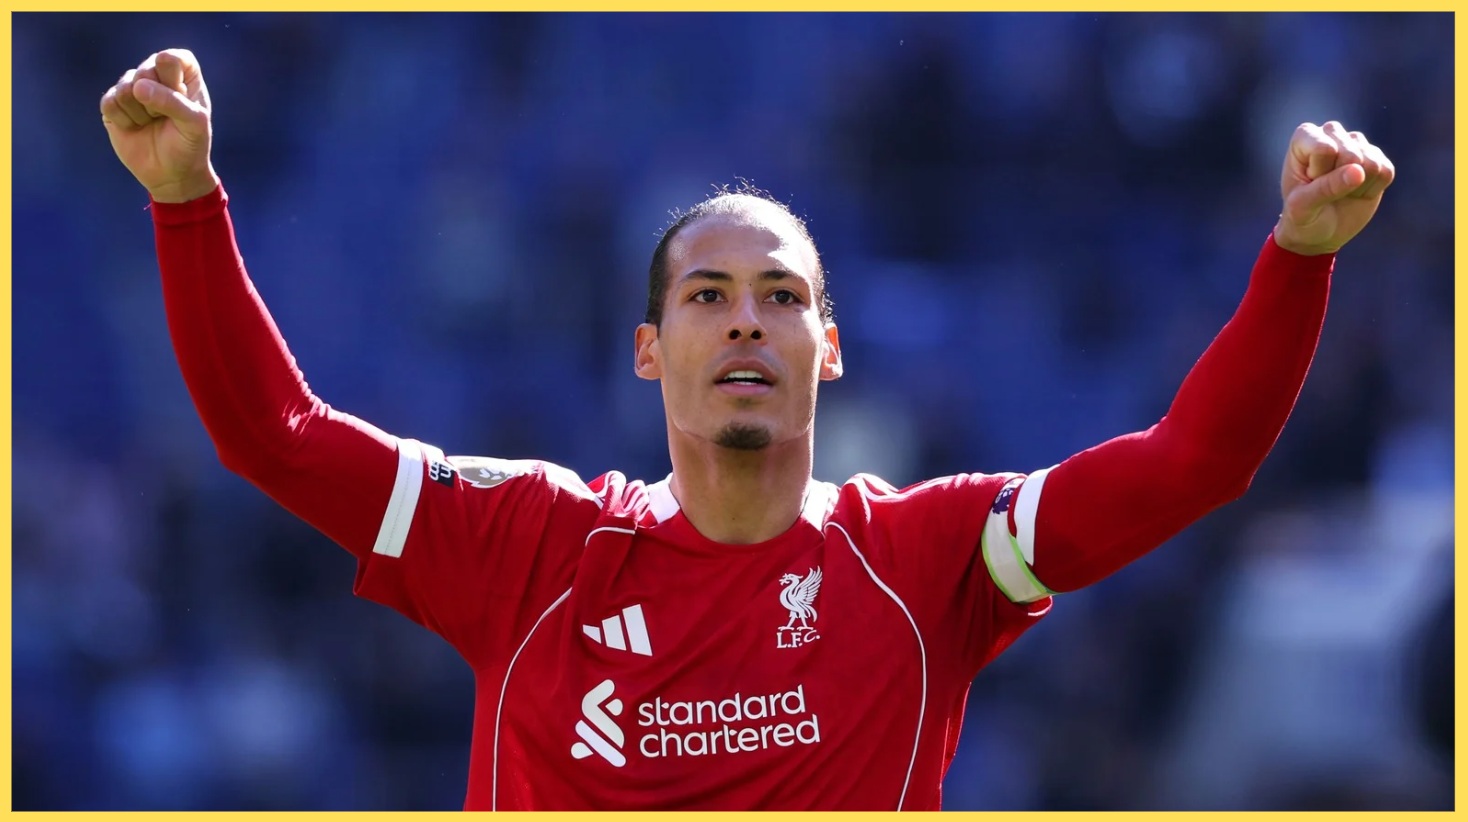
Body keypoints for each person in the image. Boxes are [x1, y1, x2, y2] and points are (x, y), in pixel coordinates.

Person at [100, 48, 1395, 811]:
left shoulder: (928, 559)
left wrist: (1295, 258)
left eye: (783, 298)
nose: (746, 324)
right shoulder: (527, 545)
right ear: (649, 349)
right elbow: (270, 431)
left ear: (828, 347)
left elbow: (1194, 461)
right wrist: (186, 199)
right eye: (708, 297)